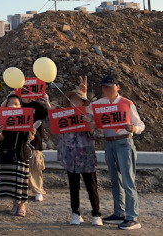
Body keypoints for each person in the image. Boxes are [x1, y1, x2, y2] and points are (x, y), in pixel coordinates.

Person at [89, 75, 144, 230]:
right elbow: (86, 110)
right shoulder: (99, 104)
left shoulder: (127, 103)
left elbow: (140, 124)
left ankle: (133, 217)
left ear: (117, 87)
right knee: (115, 180)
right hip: (109, 143)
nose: (107, 89)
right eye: (104, 87)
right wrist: (83, 91)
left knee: (128, 181)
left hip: (124, 142)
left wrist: (134, 128)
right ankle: (119, 213)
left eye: (110, 86)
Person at [57, 76, 102, 226]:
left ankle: (96, 214)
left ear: (83, 102)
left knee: (91, 185)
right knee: (73, 185)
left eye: (77, 100)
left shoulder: (89, 116)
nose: (74, 102)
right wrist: (49, 108)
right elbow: (51, 127)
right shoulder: (63, 117)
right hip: (71, 158)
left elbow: (97, 136)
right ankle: (75, 213)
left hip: (86, 157)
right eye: (72, 100)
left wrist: (89, 125)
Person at [0, 93, 35, 217]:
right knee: (12, 180)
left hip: (21, 152)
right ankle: (14, 203)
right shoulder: (4, 119)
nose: (14, 106)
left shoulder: (25, 118)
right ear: (6, 106)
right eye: (11, 103)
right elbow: (1, 139)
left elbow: (30, 138)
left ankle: (22, 204)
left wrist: (31, 134)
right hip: (8, 152)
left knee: (21, 180)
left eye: (17, 104)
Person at [21, 93, 50, 202]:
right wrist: (11, 95)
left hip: (35, 139)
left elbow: (49, 116)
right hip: (21, 139)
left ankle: (38, 190)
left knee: (36, 166)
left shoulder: (37, 105)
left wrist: (47, 102)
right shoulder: (17, 104)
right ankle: (24, 189)